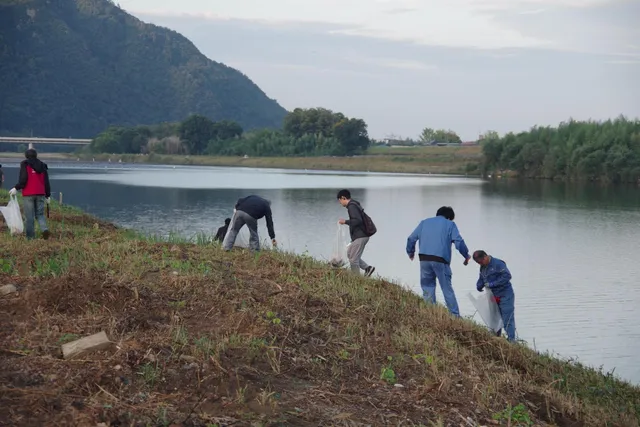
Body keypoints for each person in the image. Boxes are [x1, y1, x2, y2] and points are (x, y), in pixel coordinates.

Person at [406, 206, 470, 317]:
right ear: (449, 218)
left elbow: (411, 238)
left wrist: (411, 252)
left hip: (424, 259)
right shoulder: (450, 224)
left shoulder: (424, 223)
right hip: (441, 260)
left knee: (427, 286)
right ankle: (455, 316)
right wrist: (466, 255)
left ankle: (430, 314)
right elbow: (458, 242)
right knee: (447, 289)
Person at [473, 250, 516, 342]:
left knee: (507, 318)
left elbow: (507, 276)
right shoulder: (482, 267)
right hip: (493, 296)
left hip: (505, 294)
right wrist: (479, 285)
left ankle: (511, 341)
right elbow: (481, 278)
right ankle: (496, 338)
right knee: (494, 317)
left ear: (485, 257)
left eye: (480, 262)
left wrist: (493, 284)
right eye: (478, 263)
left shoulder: (498, 264)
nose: (480, 264)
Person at [9, 149, 51, 240]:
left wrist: (16, 187)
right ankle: (44, 229)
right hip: (40, 193)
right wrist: (48, 195)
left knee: (29, 216)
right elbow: (46, 182)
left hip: (28, 193)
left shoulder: (25, 164)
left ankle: (30, 237)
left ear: (26, 156)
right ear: (36, 155)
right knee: (40, 214)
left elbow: (23, 179)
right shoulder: (43, 166)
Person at [337, 189, 375, 277]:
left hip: (361, 236)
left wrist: (345, 222)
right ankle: (367, 268)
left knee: (353, 259)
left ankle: (356, 279)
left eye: (340, 200)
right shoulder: (354, 204)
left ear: (343, 198)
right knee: (350, 253)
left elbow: (357, 221)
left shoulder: (351, 206)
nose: (340, 203)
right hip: (359, 236)